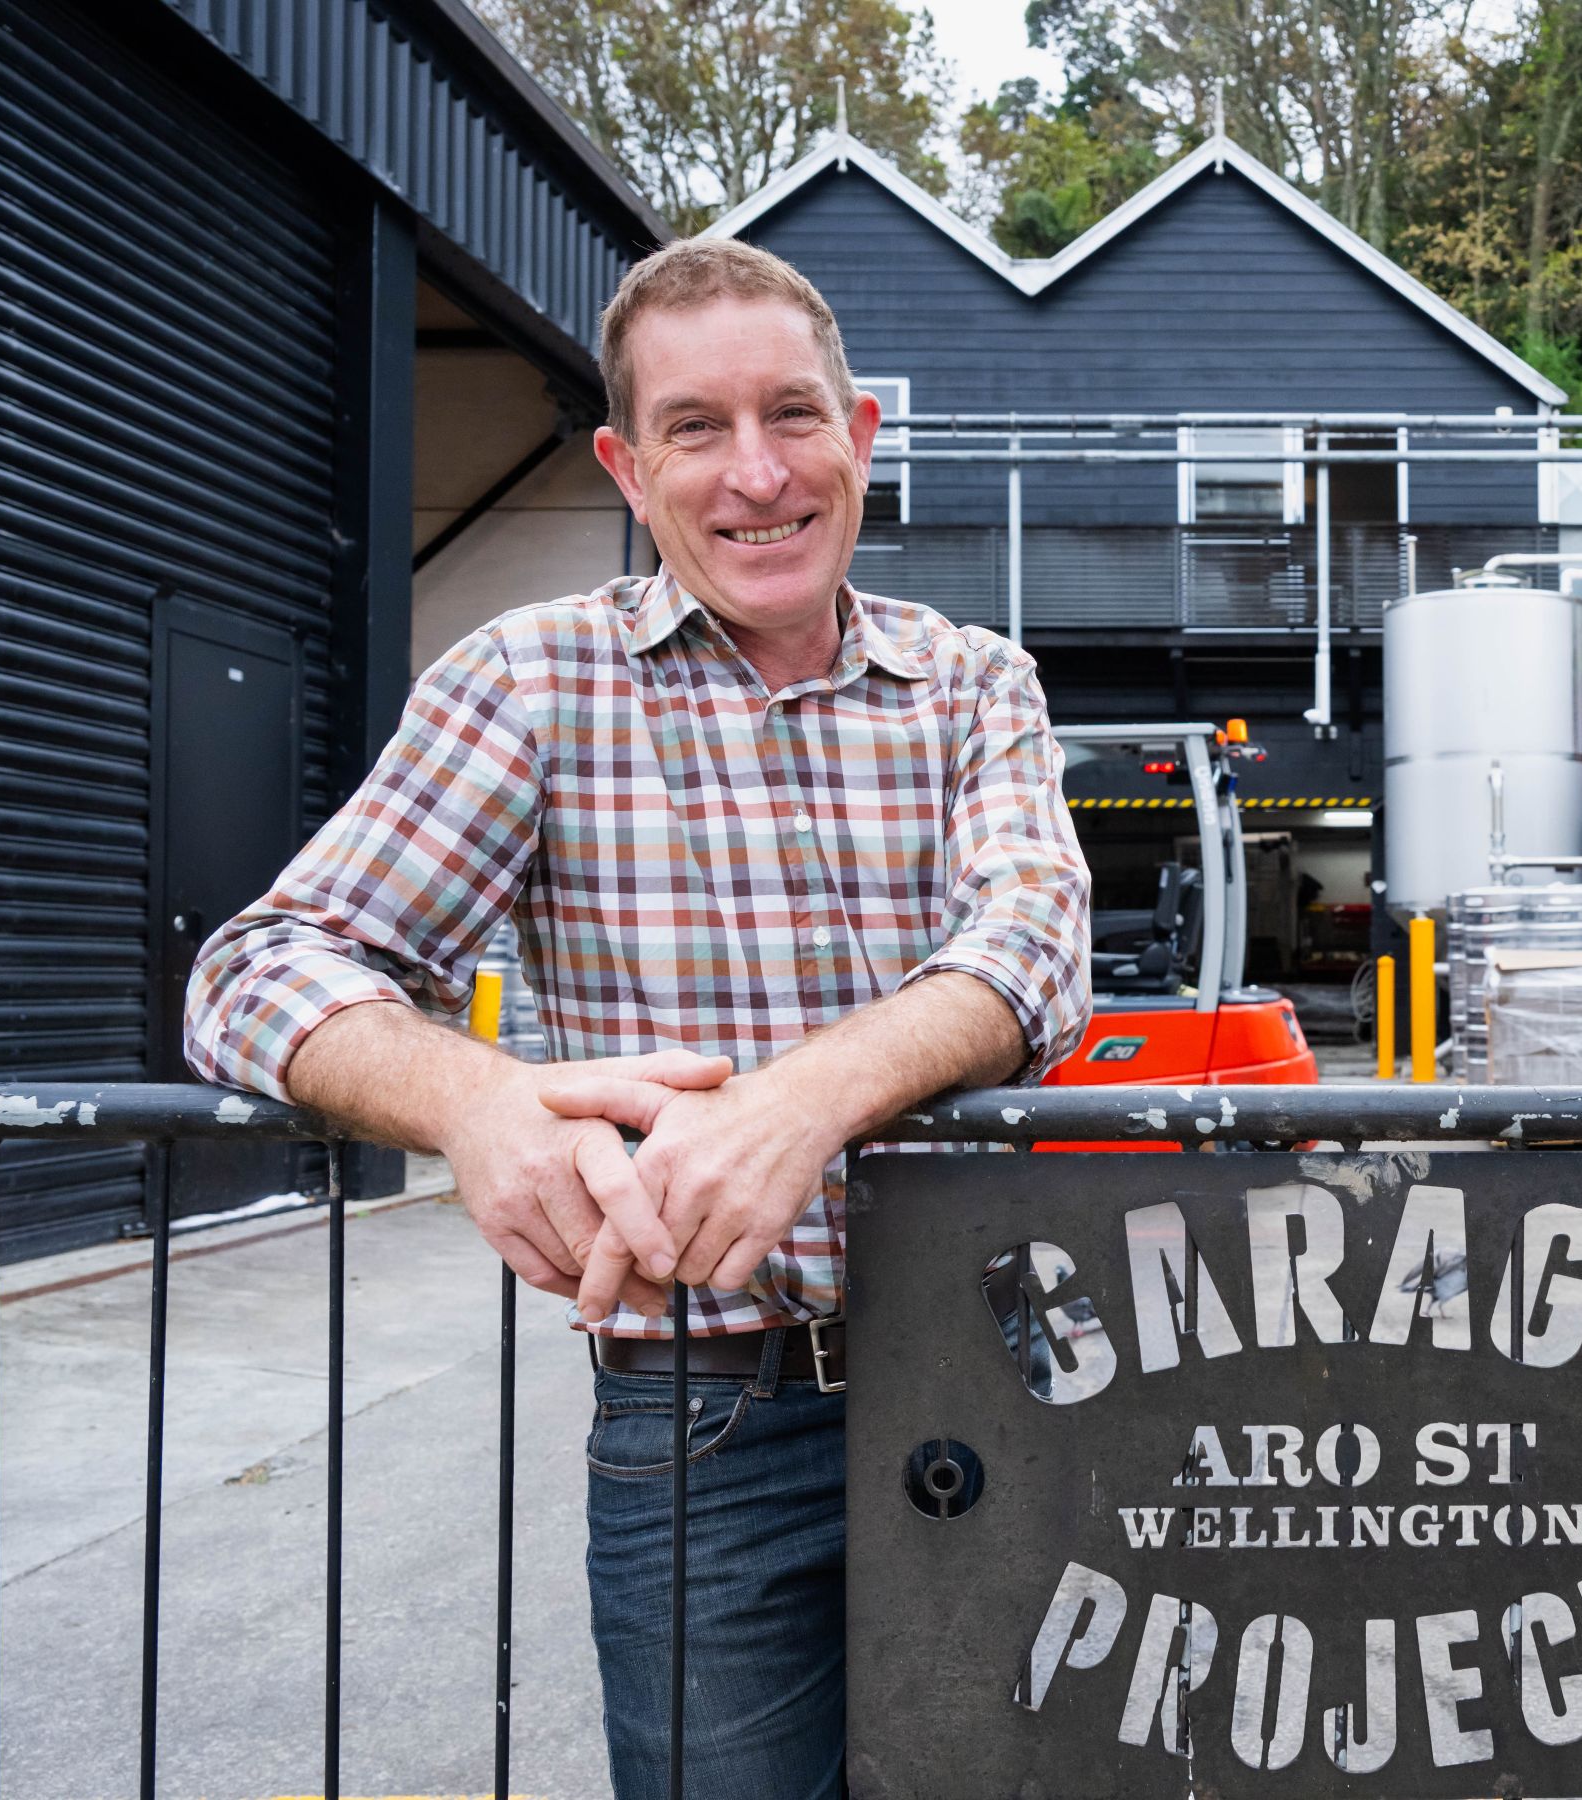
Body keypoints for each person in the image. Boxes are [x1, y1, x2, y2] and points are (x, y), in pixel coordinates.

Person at [184, 238, 1092, 1799]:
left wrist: (797, 1105)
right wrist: (480, 1106)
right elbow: (258, 968)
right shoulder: (531, 685)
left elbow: (1036, 941)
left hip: (1014, 1362)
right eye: (696, 428)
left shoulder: (971, 681)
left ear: (860, 431)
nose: (758, 474)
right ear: (625, 462)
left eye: (794, 416)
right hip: (709, 1426)